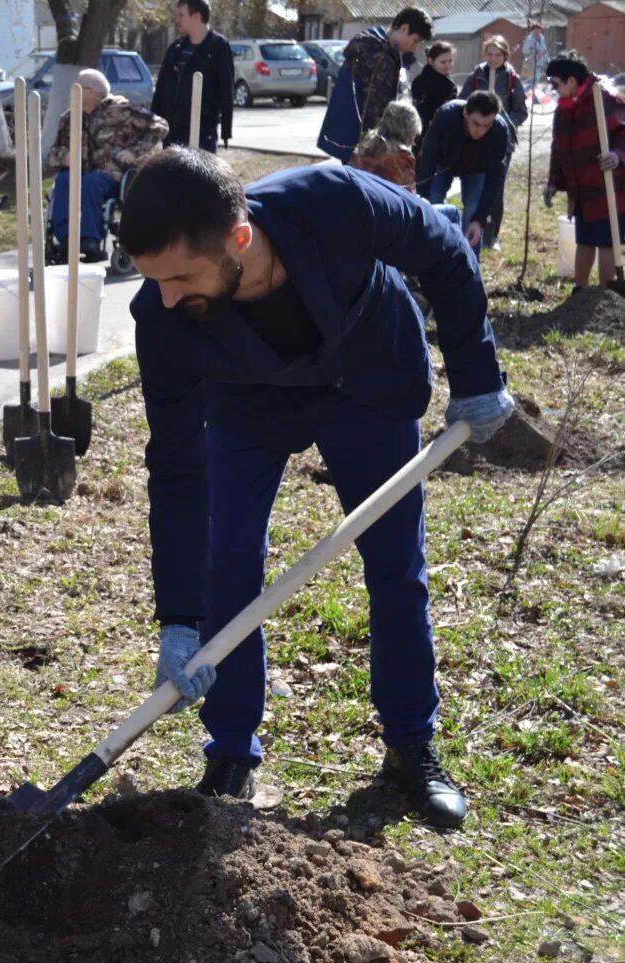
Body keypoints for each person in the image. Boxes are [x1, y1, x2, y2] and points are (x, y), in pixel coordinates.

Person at [117, 147, 514, 830]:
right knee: (228, 562)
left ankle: (410, 746)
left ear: (238, 239)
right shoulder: (163, 318)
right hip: (249, 400)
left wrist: (476, 376)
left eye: (181, 276)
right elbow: (178, 467)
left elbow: (446, 252)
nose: (169, 297)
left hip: (367, 379)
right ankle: (232, 751)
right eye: (156, 280)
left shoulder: (335, 201)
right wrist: (179, 620)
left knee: (395, 565)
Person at [46, 69, 166, 263]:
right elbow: (53, 151)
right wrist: (63, 156)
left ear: (92, 91)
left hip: (112, 175)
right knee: (63, 180)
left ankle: (90, 240)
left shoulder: (122, 110)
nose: (73, 91)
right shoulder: (69, 118)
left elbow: (160, 126)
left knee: (91, 182)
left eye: (78, 87)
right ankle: (67, 238)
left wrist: (133, 152)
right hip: (78, 171)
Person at [543, 52, 625, 291]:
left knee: (607, 242)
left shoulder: (607, 99)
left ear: (571, 81)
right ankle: (580, 293)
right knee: (585, 240)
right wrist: (552, 183)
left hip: (609, 187)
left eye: (555, 83)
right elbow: (559, 149)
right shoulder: (564, 109)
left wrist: (617, 156)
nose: (553, 89)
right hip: (581, 190)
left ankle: (606, 294)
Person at [318, 7, 432, 162]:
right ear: (404, 28)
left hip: (356, 142)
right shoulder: (377, 55)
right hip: (364, 145)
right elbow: (373, 110)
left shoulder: (382, 48)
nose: (415, 47)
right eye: (415, 40)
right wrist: (382, 149)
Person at [416, 92, 515, 250]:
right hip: (445, 162)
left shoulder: (499, 130)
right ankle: (432, 249)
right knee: (433, 200)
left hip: (477, 168)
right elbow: (428, 156)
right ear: (465, 113)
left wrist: (479, 219)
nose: (481, 131)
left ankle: (467, 258)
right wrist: (422, 194)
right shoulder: (445, 116)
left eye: (487, 125)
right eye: (476, 123)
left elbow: (496, 177)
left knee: (473, 206)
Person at [459, 36, 527, 250]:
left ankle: (492, 236)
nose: (493, 58)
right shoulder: (476, 76)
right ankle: (470, 232)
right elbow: (463, 101)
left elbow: (521, 112)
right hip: (476, 142)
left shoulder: (512, 80)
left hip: (501, 143)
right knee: (475, 187)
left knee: (495, 189)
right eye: (489, 54)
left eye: (497, 54)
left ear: (505, 56)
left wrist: (502, 124)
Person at [151, 0, 233, 153]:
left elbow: (226, 88)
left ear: (196, 16)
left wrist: (226, 131)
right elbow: (161, 88)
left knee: (199, 176)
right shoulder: (175, 49)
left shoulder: (218, 46)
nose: (177, 20)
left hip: (203, 132)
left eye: (181, 15)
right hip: (172, 132)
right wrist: (154, 122)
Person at [349, 100, 420, 191]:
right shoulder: (403, 156)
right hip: (385, 203)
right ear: (409, 130)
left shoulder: (364, 146)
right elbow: (409, 195)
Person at [410, 40, 456, 146]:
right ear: (431, 61)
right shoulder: (423, 82)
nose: (448, 65)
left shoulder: (445, 79)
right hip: (426, 133)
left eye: (450, 61)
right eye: (443, 62)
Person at [521, 22, 549, 98]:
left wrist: (547, 61)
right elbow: (525, 50)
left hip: (539, 63)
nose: (537, 31)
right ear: (533, 30)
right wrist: (535, 52)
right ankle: (525, 95)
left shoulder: (542, 38)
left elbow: (544, 50)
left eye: (539, 29)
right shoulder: (530, 39)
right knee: (530, 82)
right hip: (530, 63)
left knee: (536, 82)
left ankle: (533, 97)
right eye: (535, 29)